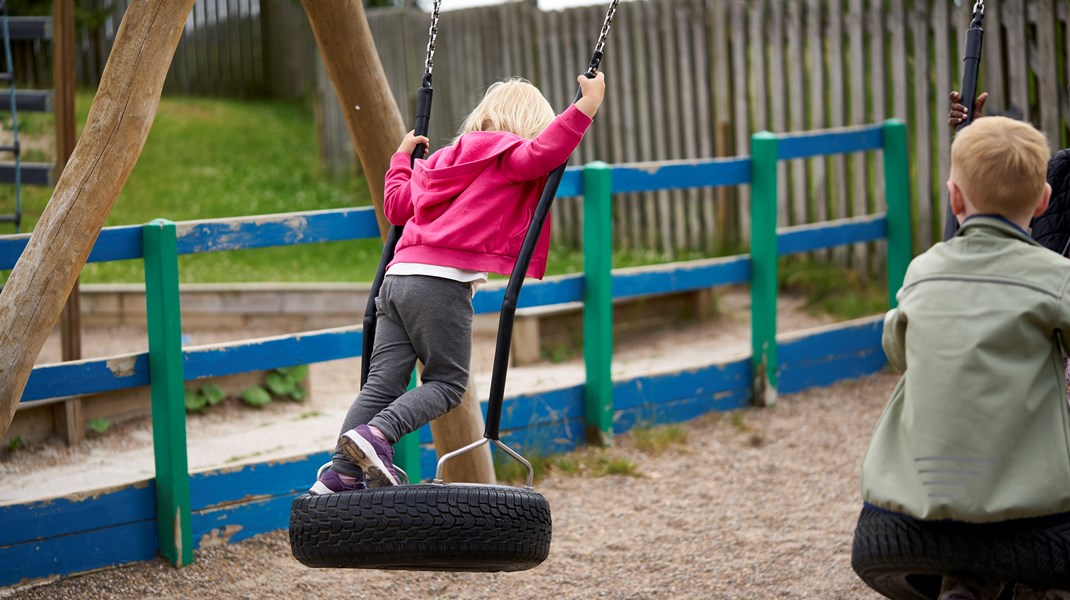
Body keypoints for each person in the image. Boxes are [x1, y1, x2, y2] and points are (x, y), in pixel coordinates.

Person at [309, 72, 606, 494]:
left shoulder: (441, 162)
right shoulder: (510, 154)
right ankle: (378, 435)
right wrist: (586, 106)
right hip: (440, 285)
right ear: (526, 126)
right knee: (447, 383)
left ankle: (342, 470)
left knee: (382, 384)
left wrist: (400, 159)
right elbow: (546, 152)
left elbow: (396, 208)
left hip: (396, 281)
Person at [858, 116, 1070, 600]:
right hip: (1027, 497)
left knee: (968, 525)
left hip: (921, 493)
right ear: (1043, 200)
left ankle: (964, 587)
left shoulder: (922, 268)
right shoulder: (1056, 274)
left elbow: (898, 349)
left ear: (955, 199)